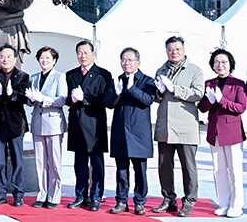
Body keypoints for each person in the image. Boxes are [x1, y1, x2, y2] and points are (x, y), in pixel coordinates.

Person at [152, 36, 204, 217]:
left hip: (185, 126)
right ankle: (169, 199)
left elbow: (198, 93)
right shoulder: (161, 70)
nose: (174, 52)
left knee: (188, 167)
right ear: (166, 51)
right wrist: (158, 92)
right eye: (170, 49)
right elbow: (157, 98)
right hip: (165, 125)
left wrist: (175, 89)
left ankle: (189, 201)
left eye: (177, 49)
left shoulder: (195, 70)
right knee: (164, 165)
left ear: (183, 49)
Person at [104, 47, 155, 215]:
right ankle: (121, 201)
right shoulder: (117, 80)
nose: (126, 63)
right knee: (121, 171)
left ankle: (140, 202)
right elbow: (109, 103)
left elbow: (147, 100)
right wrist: (117, 93)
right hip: (120, 132)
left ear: (138, 62)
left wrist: (132, 88)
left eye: (130, 60)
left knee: (140, 170)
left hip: (139, 133)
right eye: (124, 60)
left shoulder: (147, 81)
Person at [198, 49, 246, 218]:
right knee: (219, 169)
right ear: (213, 65)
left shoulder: (238, 84)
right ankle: (224, 203)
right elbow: (202, 108)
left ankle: (236, 205)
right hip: (214, 132)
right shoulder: (209, 83)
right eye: (217, 62)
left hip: (232, 132)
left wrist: (221, 101)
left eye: (224, 62)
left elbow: (241, 108)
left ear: (230, 64)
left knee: (234, 170)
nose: (220, 65)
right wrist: (210, 101)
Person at [65, 40, 111, 211]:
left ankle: (96, 197)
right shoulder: (71, 75)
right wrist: (73, 99)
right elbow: (67, 99)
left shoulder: (103, 75)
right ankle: (80, 196)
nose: (82, 56)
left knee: (97, 164)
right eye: (79, 52)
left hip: (95, 124)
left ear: (93, 53)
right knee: (79, 163)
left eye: (86, 52)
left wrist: (84, 98)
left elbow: (104, 99)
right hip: (77, 124)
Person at [0, 44, 29, 207]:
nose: (5, 60)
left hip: (16, 124)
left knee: (18, 160)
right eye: (2, 56)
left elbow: (25, 98)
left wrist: (12, 94)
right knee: (0, 161)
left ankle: (18, 194)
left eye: (9, 56)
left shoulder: (23, 76)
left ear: (15, 59)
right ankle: (1, 193)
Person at [25, 46, 67, 209]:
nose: (44, 61)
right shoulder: (34, 77)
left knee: (54, 162)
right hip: (37, 123)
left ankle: (54, 195)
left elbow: (62, 100)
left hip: (54, 124)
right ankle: (42, 194)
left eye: (48, 58)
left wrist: (43, 98)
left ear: (54, 60)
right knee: (40, 162)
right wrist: (30, 99)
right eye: (42, 58)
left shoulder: (59, 77)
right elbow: (30, 101)